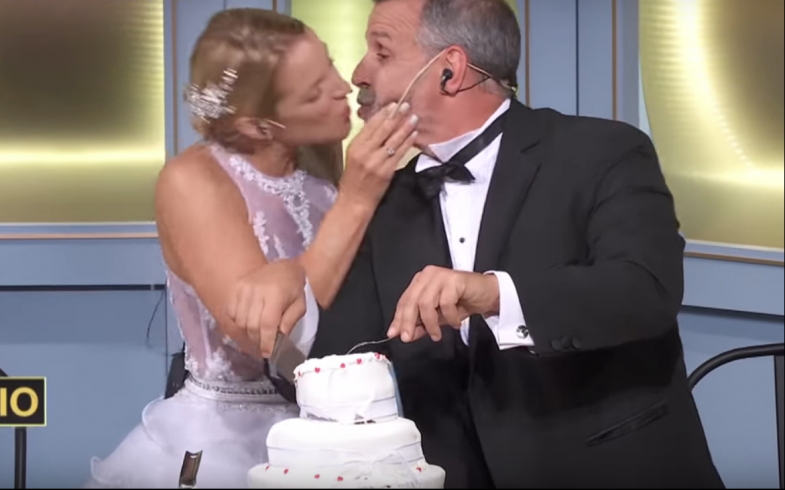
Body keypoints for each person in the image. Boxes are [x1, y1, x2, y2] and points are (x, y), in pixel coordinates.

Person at [302, 0, 726, 488]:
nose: (359, 73)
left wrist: (493, 293)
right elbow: (340, 356)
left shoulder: (604, 151)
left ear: (449, 70)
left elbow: (645, 290)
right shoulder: (382, 201)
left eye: (381, 52)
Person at [84, 8, 418, 488]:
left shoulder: (319, 164)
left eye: (328, 65)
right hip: (228, 439)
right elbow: (268, 342)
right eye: (314, 90)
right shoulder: (193, 180)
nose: (342, 87)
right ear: (260, 125)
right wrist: (356, 200)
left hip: (327, 431)